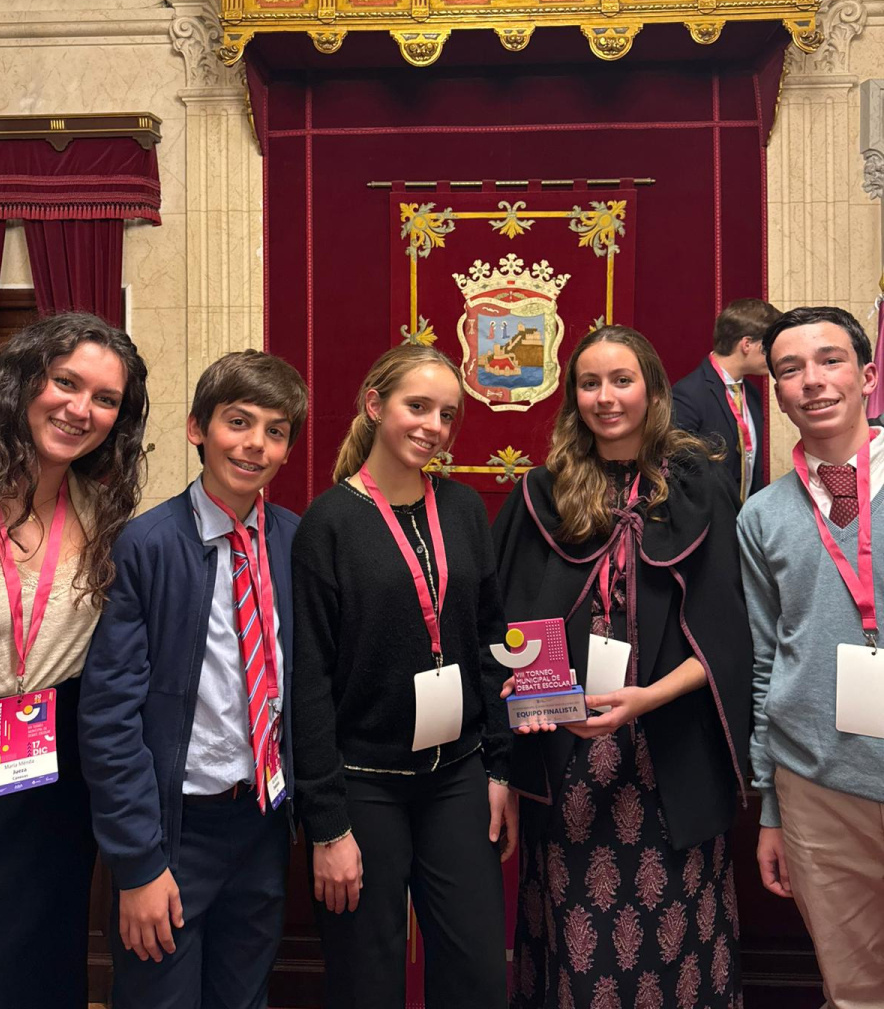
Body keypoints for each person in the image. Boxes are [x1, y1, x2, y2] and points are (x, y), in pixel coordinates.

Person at [494, 324, 752, 1008]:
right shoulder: (542, 493)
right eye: (589, 383)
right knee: (581, 941)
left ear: (653, 390)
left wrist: (645, 699)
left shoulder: (700, 485)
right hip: (568, 760)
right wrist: (534, 697)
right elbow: (513, 623)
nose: (605, 397)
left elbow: (729, 639)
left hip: (671, 754)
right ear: (572, 396)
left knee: (674, 941)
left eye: (621, 380)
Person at [79, 350, 307, 1009]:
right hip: (174, 832)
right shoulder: (146, 545)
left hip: (261, 823)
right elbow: (109, 716)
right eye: (239, 422)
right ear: (197, 428)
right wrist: (138, 863)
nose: (255, 444)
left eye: (274, 431)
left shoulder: (295, 542)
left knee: (244, 997)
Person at [291, 344, 515, 1009]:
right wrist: (327, 825)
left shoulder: (464, 509)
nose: (433, 426)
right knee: (367, 980)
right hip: (364, 785)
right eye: (418, 406)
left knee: (479, 976)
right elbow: (309, 681)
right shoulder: (328, 523)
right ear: (374, 405)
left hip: (458, 776)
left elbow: (491, 641)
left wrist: (499, 768)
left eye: (446, 414)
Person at [0, 312, 149, 1009]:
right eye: (65, 383)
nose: (81, 409)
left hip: (54, 764)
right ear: (25, 380)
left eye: (105, 399)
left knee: (40, 952)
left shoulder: (104, 510)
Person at [738, 306, 884, 1008]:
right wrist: (771, 803)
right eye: (790, 370)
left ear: (868, 375)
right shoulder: (762, 515)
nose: (812, 381)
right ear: (777, 393)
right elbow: (765, 660)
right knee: (854, 990)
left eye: (830, 360)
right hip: (818, 786)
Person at [673, 297, 781, 501]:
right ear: (747, 344)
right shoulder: (688, 395)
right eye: (769, 347)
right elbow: (680, 475)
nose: (773, 356)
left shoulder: (752, 393)